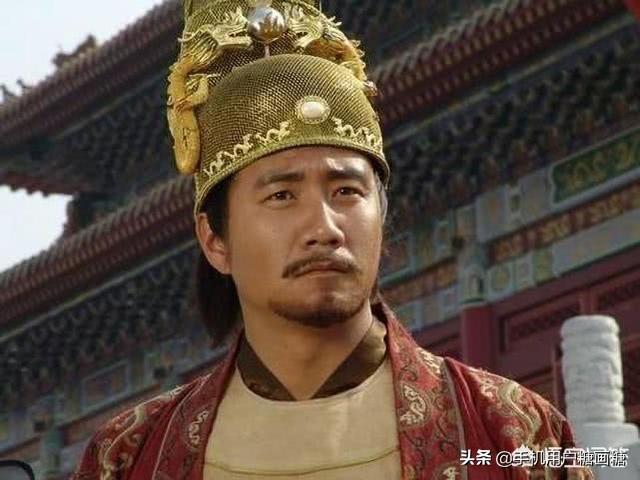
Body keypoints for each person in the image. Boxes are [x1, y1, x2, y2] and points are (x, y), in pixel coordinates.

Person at [72, 1, 593, 479]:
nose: (324, 228)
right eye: (281, 196)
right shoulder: (130, 456)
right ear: (215, 241)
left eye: (346, 191)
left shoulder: (513, 432)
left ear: (381, 217)